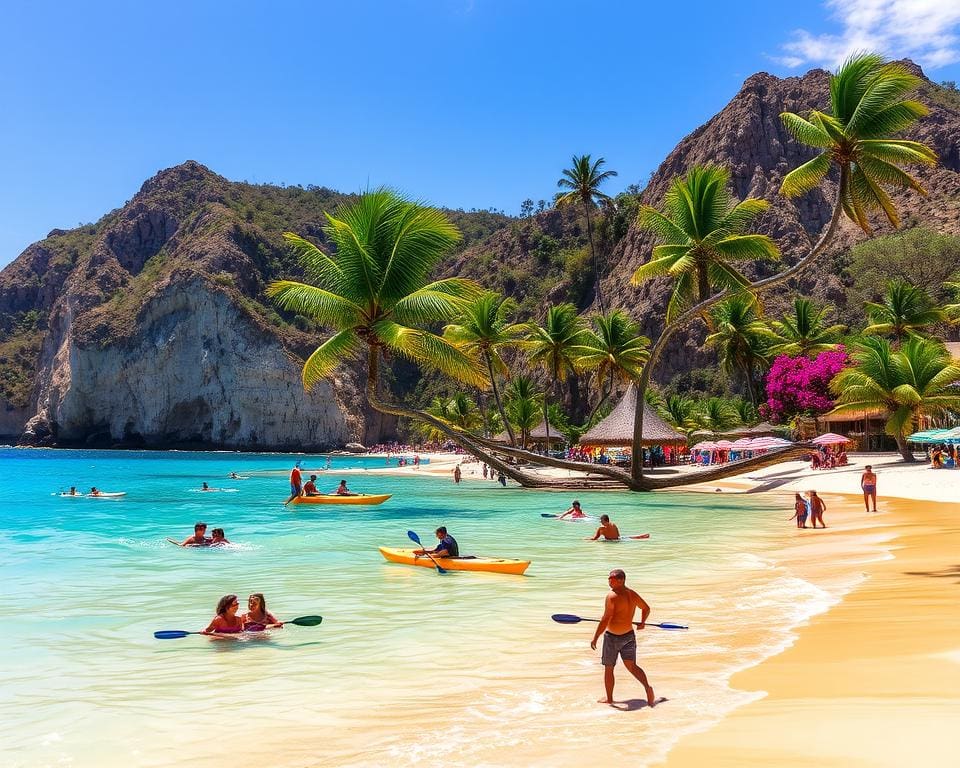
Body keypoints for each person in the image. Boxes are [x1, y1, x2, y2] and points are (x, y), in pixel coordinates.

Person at [590, 569, 656, 708]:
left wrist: (596, 637)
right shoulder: (632, 594)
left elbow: (605, 619)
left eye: (612, 579)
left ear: (621, 580)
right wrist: (642, 622)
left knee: (609, 668)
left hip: (612, 638)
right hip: (629, 637)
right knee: (632, 666)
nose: (609, 581)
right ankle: (647, 688)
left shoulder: (612, 596)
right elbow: (646, 608)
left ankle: (609, 699)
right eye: (608, 578)